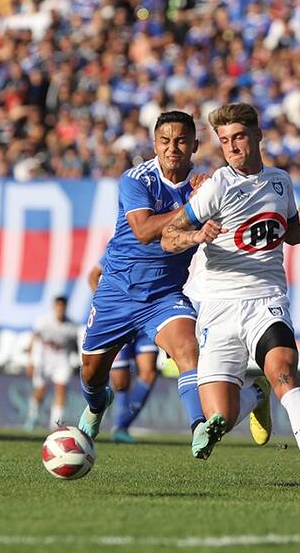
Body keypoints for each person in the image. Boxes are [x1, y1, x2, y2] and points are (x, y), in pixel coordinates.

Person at [161, 102, 300, 496]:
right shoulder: (216, 187)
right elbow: (169, 236)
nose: (231, 147)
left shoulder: (280, 181)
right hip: (217, 306)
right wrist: (195, 236)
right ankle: (255, 395)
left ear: (258, 136)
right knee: (219, 418)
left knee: (285, 371)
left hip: (266, 297)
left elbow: (285, 231)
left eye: (238, 137)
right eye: (223, 140)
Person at [79, 110, 219, 458]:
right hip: (117, 291)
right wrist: (194, 205)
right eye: (165, 141)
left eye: (182, 141)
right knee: (92, 375)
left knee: (188, 350)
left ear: (194, 146)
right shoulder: (136, 180)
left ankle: (198, 426)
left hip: (165, 295)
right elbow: (143, 231)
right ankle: (98, 406)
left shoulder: (207, 186)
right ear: (155, 144)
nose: (173, 148)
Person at [87, 261, 159, 444]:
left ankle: (122, 426)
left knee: (149, 373)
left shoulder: (161, 244)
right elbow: (93, 275)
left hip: (147, 318)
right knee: (120, 383)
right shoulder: (122, 245)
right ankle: (111, 420)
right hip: (120, 319)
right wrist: (105, 306)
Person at [24, 295, 80, 431]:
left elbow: (74, 345)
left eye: (63, 307)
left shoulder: (71, 326)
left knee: (61, 390)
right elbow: (33, 340)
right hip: (44, 361)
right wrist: (30, 361)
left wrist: (79, 361)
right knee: (40, 391)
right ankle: (33, 417)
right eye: (58, 306)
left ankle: (55, 424)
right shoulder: (44, 322)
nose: (60, 309)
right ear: (54, 307)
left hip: (62, 361)